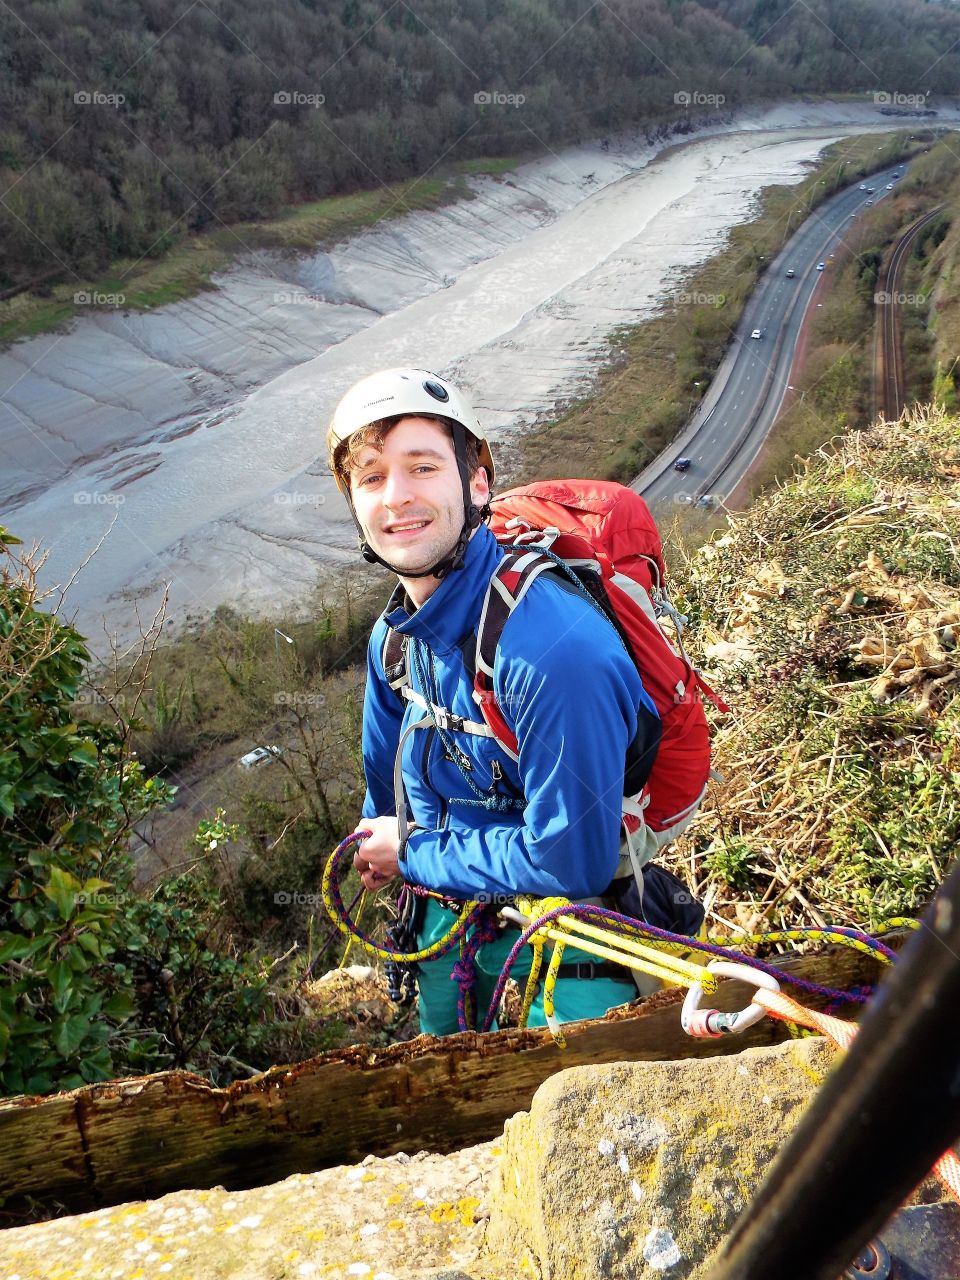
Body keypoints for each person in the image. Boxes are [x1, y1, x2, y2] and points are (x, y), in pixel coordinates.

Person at [327, 368, 663, 1036]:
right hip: (445, 908)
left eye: (422, 467)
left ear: (476, 483)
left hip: (571, 917)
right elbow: (383, 796)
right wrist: (383, 841)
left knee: (577, 1083)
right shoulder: (394, 643)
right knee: (442, 1068)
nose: (397, 497)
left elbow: (573, 861)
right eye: (371, 478)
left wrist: (413, 851)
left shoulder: (553, 653)